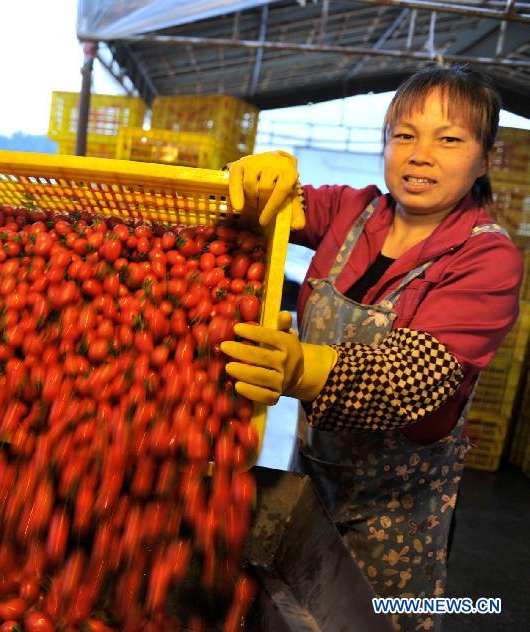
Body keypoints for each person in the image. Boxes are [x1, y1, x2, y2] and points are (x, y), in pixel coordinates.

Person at [221, 65, 521, 631]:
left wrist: (299, 367)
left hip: (396, 511)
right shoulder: (351, 212)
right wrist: (262, 175)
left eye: (449, 138)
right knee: (285, 607)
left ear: (484, 159)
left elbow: (415, 380)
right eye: (404, 135)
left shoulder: (487, 259)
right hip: (308, 473)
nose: (420, 154)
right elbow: (265, 207)